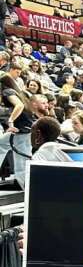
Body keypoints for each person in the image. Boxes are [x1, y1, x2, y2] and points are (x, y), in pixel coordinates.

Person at [0, 57, 35, 188]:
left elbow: (19, 106)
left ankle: (26, 188)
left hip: (22, 129)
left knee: (22, 161)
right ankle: (25, 186)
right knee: (2, 145)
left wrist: (10, 121)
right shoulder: (16, 90)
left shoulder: (7, 91)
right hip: (24, 128)